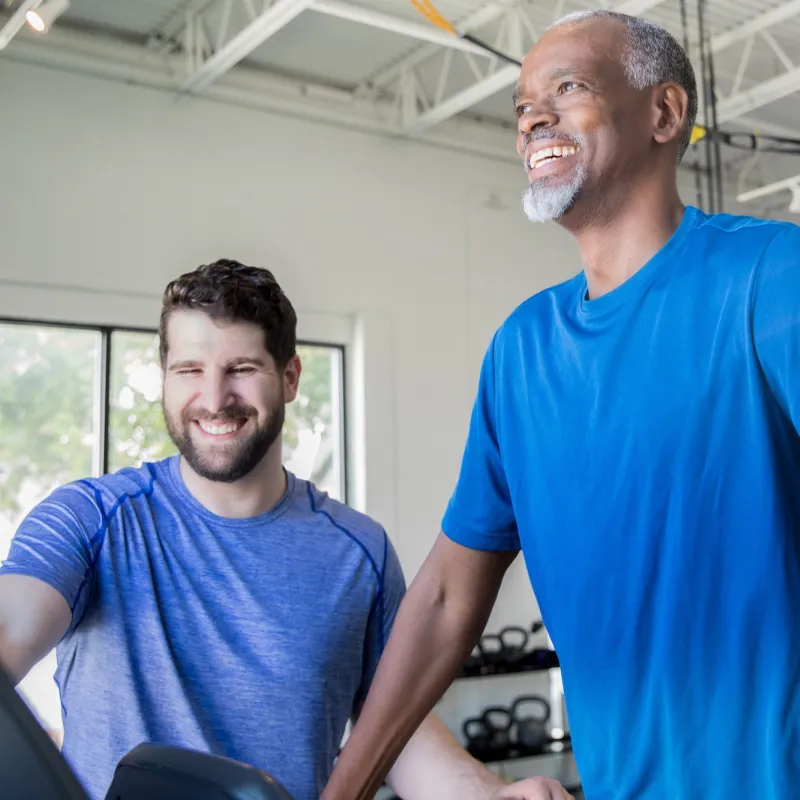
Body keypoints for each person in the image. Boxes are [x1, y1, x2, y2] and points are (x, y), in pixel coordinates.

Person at [321, 10, 800, 800]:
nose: (532, 118)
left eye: (567, 87)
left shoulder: (767, 280)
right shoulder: (522, 351)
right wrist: (341, 794)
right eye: (520, 107)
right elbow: (445, 599)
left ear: (664, 112)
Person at [0, 260, 544, 800]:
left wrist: (491, 795)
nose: (213, 399)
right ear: (164, 375)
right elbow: (12, 627)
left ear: (289, 378)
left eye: (241, 368)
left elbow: (396, 732)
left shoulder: (359, 553)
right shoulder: (91, 520)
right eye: (190, 369)